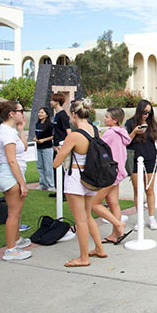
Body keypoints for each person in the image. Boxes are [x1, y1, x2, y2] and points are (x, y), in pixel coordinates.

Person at [53, 99, 106, 267]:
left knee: (80, 220)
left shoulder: (74, 135)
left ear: (73, 115)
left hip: (75, 177)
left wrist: (59, 151)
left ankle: (84, 257)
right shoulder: (95, 130)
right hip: (91, 176)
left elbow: (56, 163)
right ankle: (99, 248)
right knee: (88, 215)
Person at [0, 100, 32, 261]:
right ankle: (10, 249)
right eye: (20, 111)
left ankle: (16, 241)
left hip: (11, 174)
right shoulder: (7, 132)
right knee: (13, 214)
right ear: (11, 114)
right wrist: (22, 183)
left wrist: (21, 129)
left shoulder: (10, 130)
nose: (23, 114)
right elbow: (12, 160)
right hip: (10, 175)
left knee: (16, 212)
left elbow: (24, 147)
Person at [94, 107, 132, 244]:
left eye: (107, 117)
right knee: (113, 203)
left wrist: (97, 137)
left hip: (110, 172)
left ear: (115, 120)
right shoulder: (122, 132)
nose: (104, 119)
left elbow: (99, 148)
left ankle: (118, 224)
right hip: (118, 171)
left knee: (94, 203)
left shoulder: (110, 134)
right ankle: (115, 234)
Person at [126, 99, 157, 229]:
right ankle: (139, 217)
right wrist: (134, 132)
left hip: (150, 158)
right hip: (135, 158)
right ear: (139, 111)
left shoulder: (152, 124)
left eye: (149, 112)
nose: (146, 115)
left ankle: (151, 217)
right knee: (137, 189)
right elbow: (125, 141)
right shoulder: (130, 123)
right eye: (144, 112)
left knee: (149, 189)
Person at [49, 93, 71, 198]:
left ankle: (64, 193)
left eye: (52, 100)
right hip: (56, 146)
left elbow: (68, 131)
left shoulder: (63, 115)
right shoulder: (57, 115)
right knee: (56, 168)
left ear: (57, 102)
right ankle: (59, 190)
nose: (50, 102)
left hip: (61, 147)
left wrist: (65, 146)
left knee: (62, 169)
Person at [33, 107, 55, 191]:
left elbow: (53, 136)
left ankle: (51, 185)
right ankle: (43, 184)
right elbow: (37, 134)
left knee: (48, 167)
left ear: (46, 114)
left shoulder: (50, 125)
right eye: (39, 112)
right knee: (40, 166)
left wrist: (43, 140)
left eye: (42, 112)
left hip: (47, 148)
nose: (40, 114)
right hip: (38, 148)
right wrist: (35, 138)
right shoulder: (37, 124)